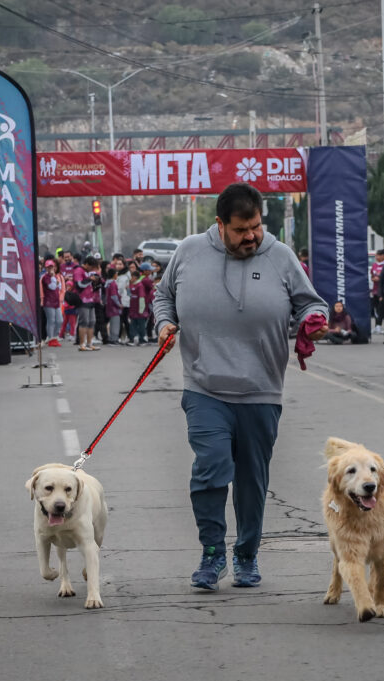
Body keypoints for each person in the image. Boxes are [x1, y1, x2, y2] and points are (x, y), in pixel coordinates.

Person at [153, 182, 328, 591]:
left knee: (252, 482)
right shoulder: (189, 252)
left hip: (261, 390)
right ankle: (212, 554)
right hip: (204, 387)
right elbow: (163, 298)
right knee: (211, 469)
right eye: (241, 229)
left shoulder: (281, 256)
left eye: (256, 226)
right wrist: (164, 323)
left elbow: (311, 302)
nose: (252, 236)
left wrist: (312, 322)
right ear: (220, 224)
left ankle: (247, 553)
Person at [73, 256, 102, 351]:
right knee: (83, 322)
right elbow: (79, 284)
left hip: (91, 300)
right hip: (82, 301)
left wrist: (96, 282)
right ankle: (82, 344)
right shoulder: (78, 271)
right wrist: (90, 279)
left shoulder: (87, 272)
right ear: (87, 264)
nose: (92, 269)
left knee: (91, 322)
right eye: (92, 267)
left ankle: (90, 343)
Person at [40, 260, 64, 347]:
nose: (50, 269)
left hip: (56, 301)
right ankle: (51, 338)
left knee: (60, 320)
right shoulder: (45, 277)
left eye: (52, 267)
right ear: (46, 268)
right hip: (48, 302)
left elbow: (60, 287)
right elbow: (53, 287)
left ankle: (55, 336)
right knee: (51, 320)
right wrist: (54, 278)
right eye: (48, 267)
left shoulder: (57, 276)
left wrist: (55, 279)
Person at [125, 269, 152, 346]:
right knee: (132, 324)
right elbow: (130, 295)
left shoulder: (140, 286)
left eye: (132, 277)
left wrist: (141, 310)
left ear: (135, 277)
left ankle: (142, 339)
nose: (131, 279)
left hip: (139, 310)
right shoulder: (132, 285)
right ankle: (132, 339)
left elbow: (142, 298)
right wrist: (127, 289)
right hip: (133, 310)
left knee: (141, 325)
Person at [104, 267, 125, 345]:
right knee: (115, 323)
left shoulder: (107, 283)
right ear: (113, 275)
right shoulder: (113, 283)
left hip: (109, 306)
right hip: (114, 307)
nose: (117, 275)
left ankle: (111, 338)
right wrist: (119, 304)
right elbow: (114, 296)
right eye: (116, 274)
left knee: (112, 323)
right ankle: (114, 339)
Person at [370, 249, 384, 333]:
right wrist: (373, 278)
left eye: (377, 255)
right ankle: (377, 326)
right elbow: (372, 275)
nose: (376, 257)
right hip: (375, 291)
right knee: (376, 309)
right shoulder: (374, 265)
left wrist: (380, 279)